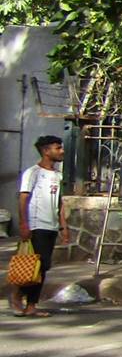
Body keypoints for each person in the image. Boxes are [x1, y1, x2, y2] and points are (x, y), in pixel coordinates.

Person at [11, 135, 68, 318]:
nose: (61, 151)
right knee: (37, 265)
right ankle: (26, 301)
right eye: (57, 148)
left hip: (51, 225)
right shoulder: (33, 172)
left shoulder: (57, 175)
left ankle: (24, 300)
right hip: (36, 225)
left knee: (43, 266)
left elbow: (58, 202)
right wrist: (23, 223)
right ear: (46, 151)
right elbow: (23, 198)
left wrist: (63, 226)